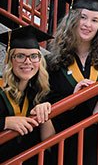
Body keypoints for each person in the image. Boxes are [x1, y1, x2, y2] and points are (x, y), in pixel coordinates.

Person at [47, 0, 98, 165]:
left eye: (95, 20)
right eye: (83, 17)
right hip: (66, 147)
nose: (88, 24)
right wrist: (71, 101)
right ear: (72, 19)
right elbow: (45, 102)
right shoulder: (52, 63)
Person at [0, 26, 54, 164]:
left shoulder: (39, 95)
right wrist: (5, 122)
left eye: (34, 56)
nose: (27, 61)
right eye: (20, 56)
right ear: (10, 59)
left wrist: (45, 116)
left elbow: (50, 144)